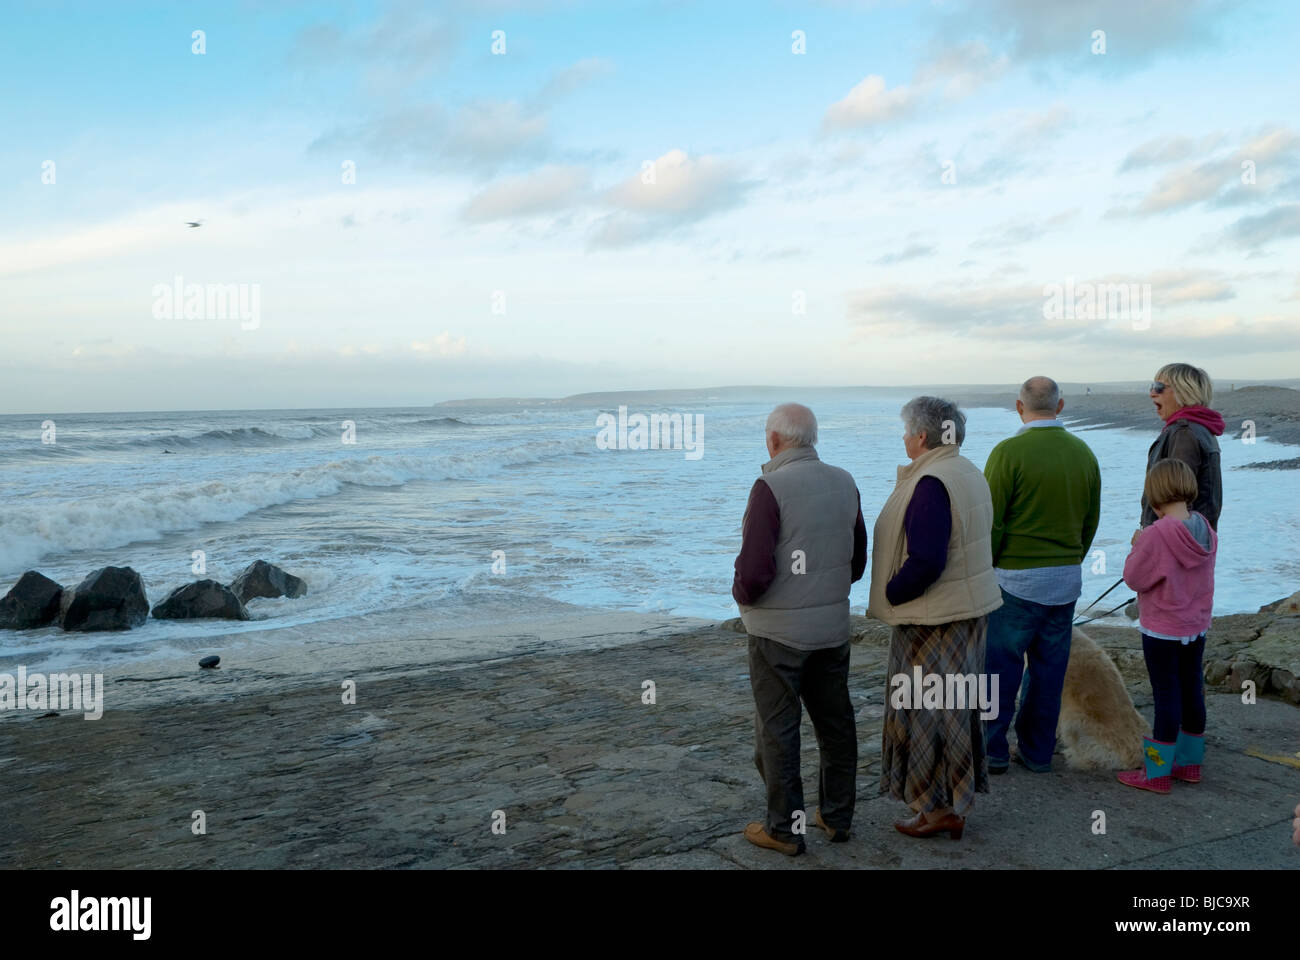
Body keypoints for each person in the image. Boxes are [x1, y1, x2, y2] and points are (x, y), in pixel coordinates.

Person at [733, 403, 867, 855]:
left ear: (773, 440)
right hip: (831, 626)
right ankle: (837, 816)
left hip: (779, 634)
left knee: (779, 730)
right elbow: (857, 560)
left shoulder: (770, 486)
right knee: (835, 723)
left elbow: (753, 571)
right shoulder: (845, 481)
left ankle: (784, 830)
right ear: (812, 439)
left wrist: (743, 599)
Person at [867, 397, 1001, 839]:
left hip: (935, 619)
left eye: (906, 431)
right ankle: (949, 804)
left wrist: (891, 591)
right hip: (967, 611)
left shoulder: (931, 482)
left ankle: (937, 808)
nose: (903, 438)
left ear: (922, 436)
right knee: (953, 710)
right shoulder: (968, 472)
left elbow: (926, 560)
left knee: (928, 714)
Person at [983, 377, 1101, 773]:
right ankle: (1036, 752)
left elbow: (992, 521)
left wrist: (989, 565)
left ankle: (993, 750)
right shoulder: (1084, 453)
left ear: (1020, 407)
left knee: (1000, 667)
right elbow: (1090, 520)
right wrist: (1072, 558)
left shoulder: (1007, 452)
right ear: (1061, 405)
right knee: (1049, 670)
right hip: (1065, 578)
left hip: (1014, 578)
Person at [1118, 459, 1217, 793]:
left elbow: (1133, 578)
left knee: (1165, 696)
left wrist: (1137, 545)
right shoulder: (1204, 527)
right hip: (1196, 625)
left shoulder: (1156, 534)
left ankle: (1156, 772)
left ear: (1154, 495)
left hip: (1162, 628)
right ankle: (1189, 764)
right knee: (1191, 688)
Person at [1141, 363, 1224, 531]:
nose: (1151, 393)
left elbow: (1174, 498)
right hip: (1194, 539)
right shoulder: (1200, 429)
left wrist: (1150, 536)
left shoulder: (1184, 434)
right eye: (1152, 386)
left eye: (1159, 387)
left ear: (1183, 392)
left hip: (1176, 541)